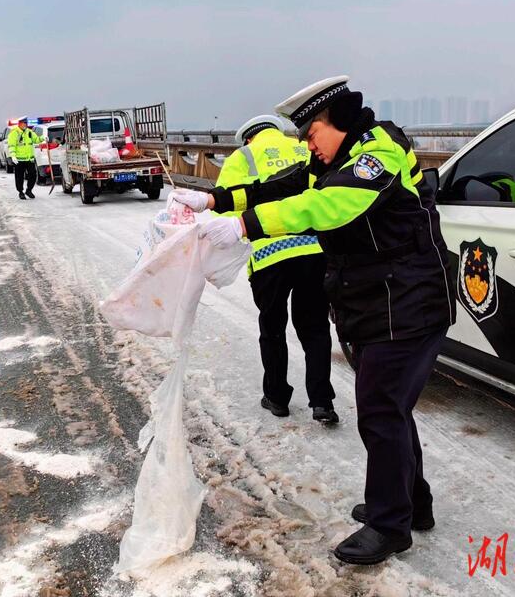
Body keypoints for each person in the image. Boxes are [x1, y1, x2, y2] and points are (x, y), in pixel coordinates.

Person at [174, 76, 455, 565]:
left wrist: (244, 227)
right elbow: (284, 186)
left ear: (339, 123)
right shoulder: (336, 158)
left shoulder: (376, 155)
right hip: (376, 302)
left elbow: (327, 206)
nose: (307, 145)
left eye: (312, 133)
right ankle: (412, 504)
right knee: (392, 408)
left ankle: (391, 524)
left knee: (381, 410)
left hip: (409, 303)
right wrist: (217, 201)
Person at [216, 114, 338, 424]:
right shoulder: (301, 148)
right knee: (314, 327)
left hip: (270, 255)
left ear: (247, 138)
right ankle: (322, 402)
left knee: (272, 328)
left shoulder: (242, 157)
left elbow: (228, 208)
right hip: (313, 250)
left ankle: (277, 397)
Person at [7, 118, 44, 199]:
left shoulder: (29, 132)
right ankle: (20, 192)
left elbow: (36, 139)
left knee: (33, 175)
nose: (25, 125)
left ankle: (29, 190)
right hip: (19, 160)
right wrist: (13, 156)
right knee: (19, 177)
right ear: (19, 124)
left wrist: (43, 138)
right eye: (23, 123)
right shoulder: (14, 133)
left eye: (26, 123)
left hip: (29, 159)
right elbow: (11, 145)